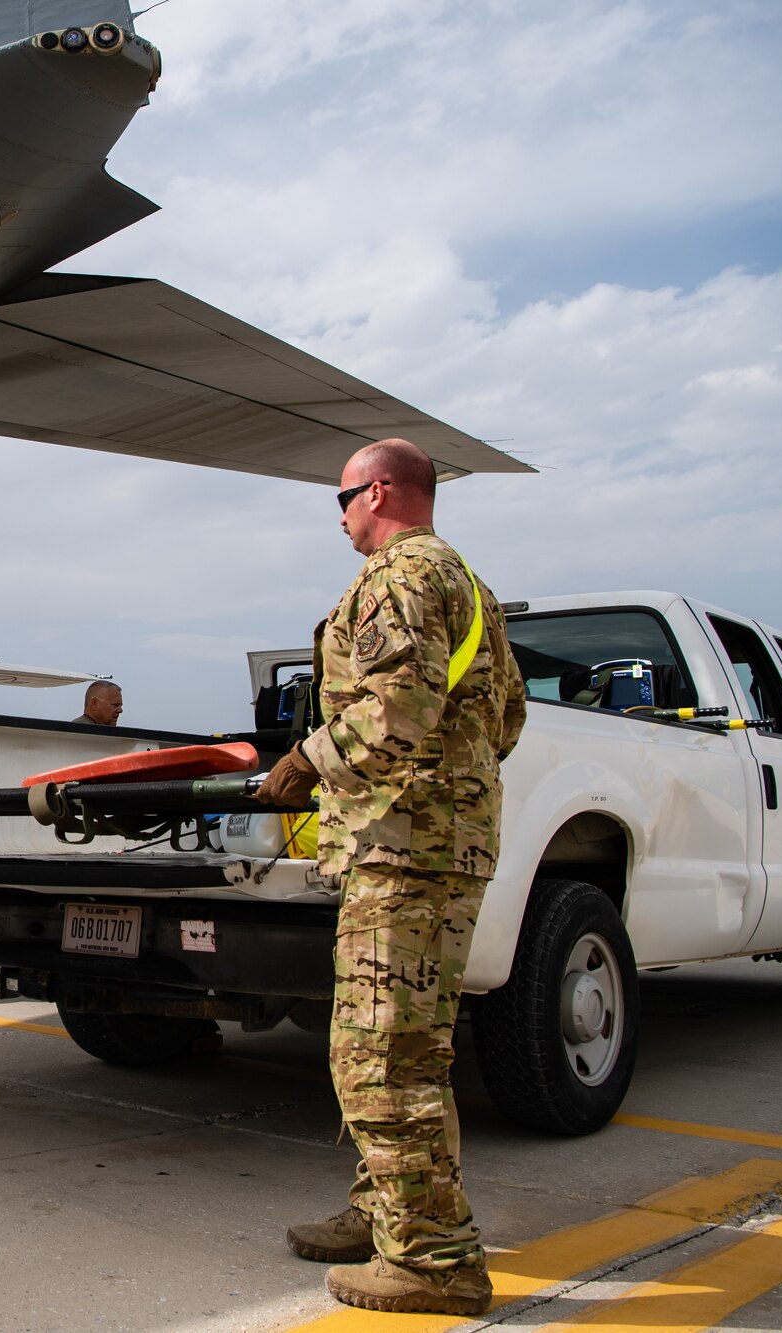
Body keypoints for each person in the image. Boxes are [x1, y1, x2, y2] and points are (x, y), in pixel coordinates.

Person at [256, 438, 526, 1316]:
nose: (337, 517)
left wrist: (306, 759)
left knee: (378, 1056)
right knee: (415, 1049)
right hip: (447, 845)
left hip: (404, 849)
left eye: (340, 499)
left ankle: (433, 1260)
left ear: (377, 492)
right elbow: (508, 717)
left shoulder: (398, 577)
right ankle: (387, 1213)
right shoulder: (469, 584)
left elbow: (395, 709)